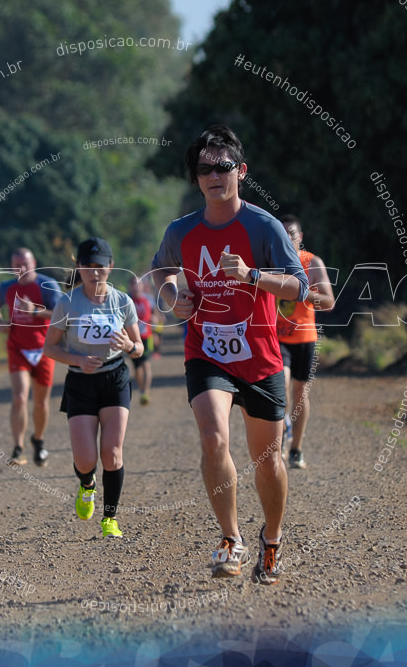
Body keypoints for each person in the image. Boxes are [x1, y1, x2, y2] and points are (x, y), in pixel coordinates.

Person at [151, 125, 309, 585]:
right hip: (207, 352)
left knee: (268, 459)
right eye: (204, 168)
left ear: (240, 171)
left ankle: (272, 538)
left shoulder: (264, 226)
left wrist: (253, 275)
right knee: (213, 437)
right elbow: (160, 270)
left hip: (259, 358)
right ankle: (230, 538)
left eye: (222, 166)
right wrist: (170, 296)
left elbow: (299, 286)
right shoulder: (181, 230)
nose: (213, 175)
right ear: (196, 177)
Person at [43, 237, 143, 538]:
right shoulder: (67, 302)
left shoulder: (122, 301)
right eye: (88, 266)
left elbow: (139, 348)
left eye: (100, 266)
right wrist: (77, 359)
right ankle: (87, 485)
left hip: (114, 379)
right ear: (79, 266)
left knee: (112, 453)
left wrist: (129, 345)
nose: (94, 272)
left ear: (111, 267)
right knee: (86, 459)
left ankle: (110, 518)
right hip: (80, 381)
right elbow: (50, 348)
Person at [0, 247, 61, 467]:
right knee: (19, 397)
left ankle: (38, 441)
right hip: (17, 347)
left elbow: (61, 314)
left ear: (34, 263)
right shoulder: (6, 287)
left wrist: (35, 311)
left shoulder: (47, 285)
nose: (20, 268)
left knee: (40, 402)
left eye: (25, 264)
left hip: (44, 349)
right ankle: (18, 448)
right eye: (16, 264)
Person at [276, 215, 335, 469]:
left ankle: (296, 449)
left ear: (300, 237)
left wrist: (301, 291)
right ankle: (278, 443)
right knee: (282, 384)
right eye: (283, 233)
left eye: (292, 233)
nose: (288, 238)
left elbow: (329, 302)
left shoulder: (312, 263)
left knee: (300, 393)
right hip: (276, 338)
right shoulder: (271, 263)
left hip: (304, 338)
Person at [128, 277, 156, 405]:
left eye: (138, 284)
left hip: (146, 337)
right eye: (133, 284)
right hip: (132, 338)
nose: (136, 286)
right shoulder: (126, 300)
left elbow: (155, 314)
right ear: (130, 286)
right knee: (137, 367)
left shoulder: (148, 298)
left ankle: (146, 392)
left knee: (146, 364)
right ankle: (141, 391)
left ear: (142, 285)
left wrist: (156, 319)